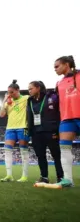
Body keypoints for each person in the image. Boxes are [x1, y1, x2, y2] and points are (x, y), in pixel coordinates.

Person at [28, 81, 63, 184]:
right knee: (40, 155)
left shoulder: (51, 97)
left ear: (38, 88)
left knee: (56, 154)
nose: (29, 91)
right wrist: (30, 131)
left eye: (31, 89)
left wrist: (57, 128)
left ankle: (60, 177)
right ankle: (44, 177)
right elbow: (29, 116)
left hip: (50, 130)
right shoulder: (30, 101)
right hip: (36, 132)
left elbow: (58, 111)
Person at [53, 55, 80, 188]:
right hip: (66, 119)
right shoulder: (59, 83)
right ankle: (68, 180)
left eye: (57, 66)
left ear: (67, 64)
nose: (55, 69)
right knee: (64, 148)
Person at [0, 80, 29, 182]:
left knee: (23, 151)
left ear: (18, 90)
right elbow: (2, 114)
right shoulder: (8, 102)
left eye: (12, 92)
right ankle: (9, 175)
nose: (10, 94)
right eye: (8, 92)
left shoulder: (26, 98)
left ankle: (24, 176)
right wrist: (4, 101)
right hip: (10, 128)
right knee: (7, 151)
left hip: (23, 127)